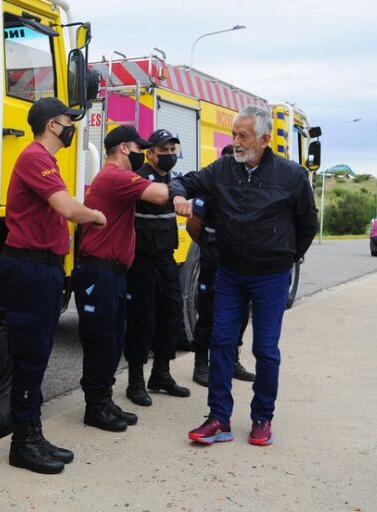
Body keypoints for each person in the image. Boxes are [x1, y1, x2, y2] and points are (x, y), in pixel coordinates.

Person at [171, 105, 317, 446]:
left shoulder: (292, 176)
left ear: (264, 140)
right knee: (221, 342)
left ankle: (262, 418)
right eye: (234, 134)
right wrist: (178, 195)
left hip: (271, 276)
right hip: (231, 274)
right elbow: (184, 180)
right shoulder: (223, 169)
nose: (235, 141)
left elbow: (307, 224)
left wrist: (285, 255)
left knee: (265, 350)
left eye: (243, 136)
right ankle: (218, 417)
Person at [0, 97, 107, 475]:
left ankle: (32, 432)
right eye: (66, 120)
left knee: (38, 354)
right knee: (29, 355)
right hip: (29, 270)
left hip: (42, 270)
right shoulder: (35, 158)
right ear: (50, 125)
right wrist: (96, 215)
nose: (71, 126)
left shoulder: (45, 160)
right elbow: (69, 209)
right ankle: (22, 442)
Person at [74, 126, 169, 432]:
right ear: (125, 148)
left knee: (112, 339)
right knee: (101, 340)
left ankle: (104, 399)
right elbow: (158, 194)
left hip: (111, 273)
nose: (144, 152)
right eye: (140, 147)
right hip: (99, 272)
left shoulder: (115, 178)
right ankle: (95, 406)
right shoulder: (115, 176)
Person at [124, 129, 191, 408]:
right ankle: (135, 381)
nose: (169, 155)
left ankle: (161, 374)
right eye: (163, 151)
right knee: (142, 321)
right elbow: (163, 196)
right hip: (142, 263)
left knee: (171, 317)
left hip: (167, 260)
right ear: (149, 153)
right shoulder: (140, 178)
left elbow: (180, 190)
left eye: (173, 150)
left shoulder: (173, 180)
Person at [187, 145, 255, 387]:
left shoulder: (246, 191)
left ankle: (233, 359)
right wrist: (208, 249)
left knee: (240, 314)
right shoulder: (210, 191)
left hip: (240, 265)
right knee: (208, 313)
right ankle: (201, 363)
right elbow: (193, 225)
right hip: (214, 263)